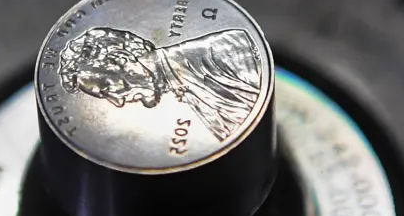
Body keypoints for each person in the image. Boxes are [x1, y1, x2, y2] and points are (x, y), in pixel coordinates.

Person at [57, 27, 263, 141]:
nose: (117, 102)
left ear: (121, 59)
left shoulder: (226, 49)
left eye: (107, 89)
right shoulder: (185, 92)